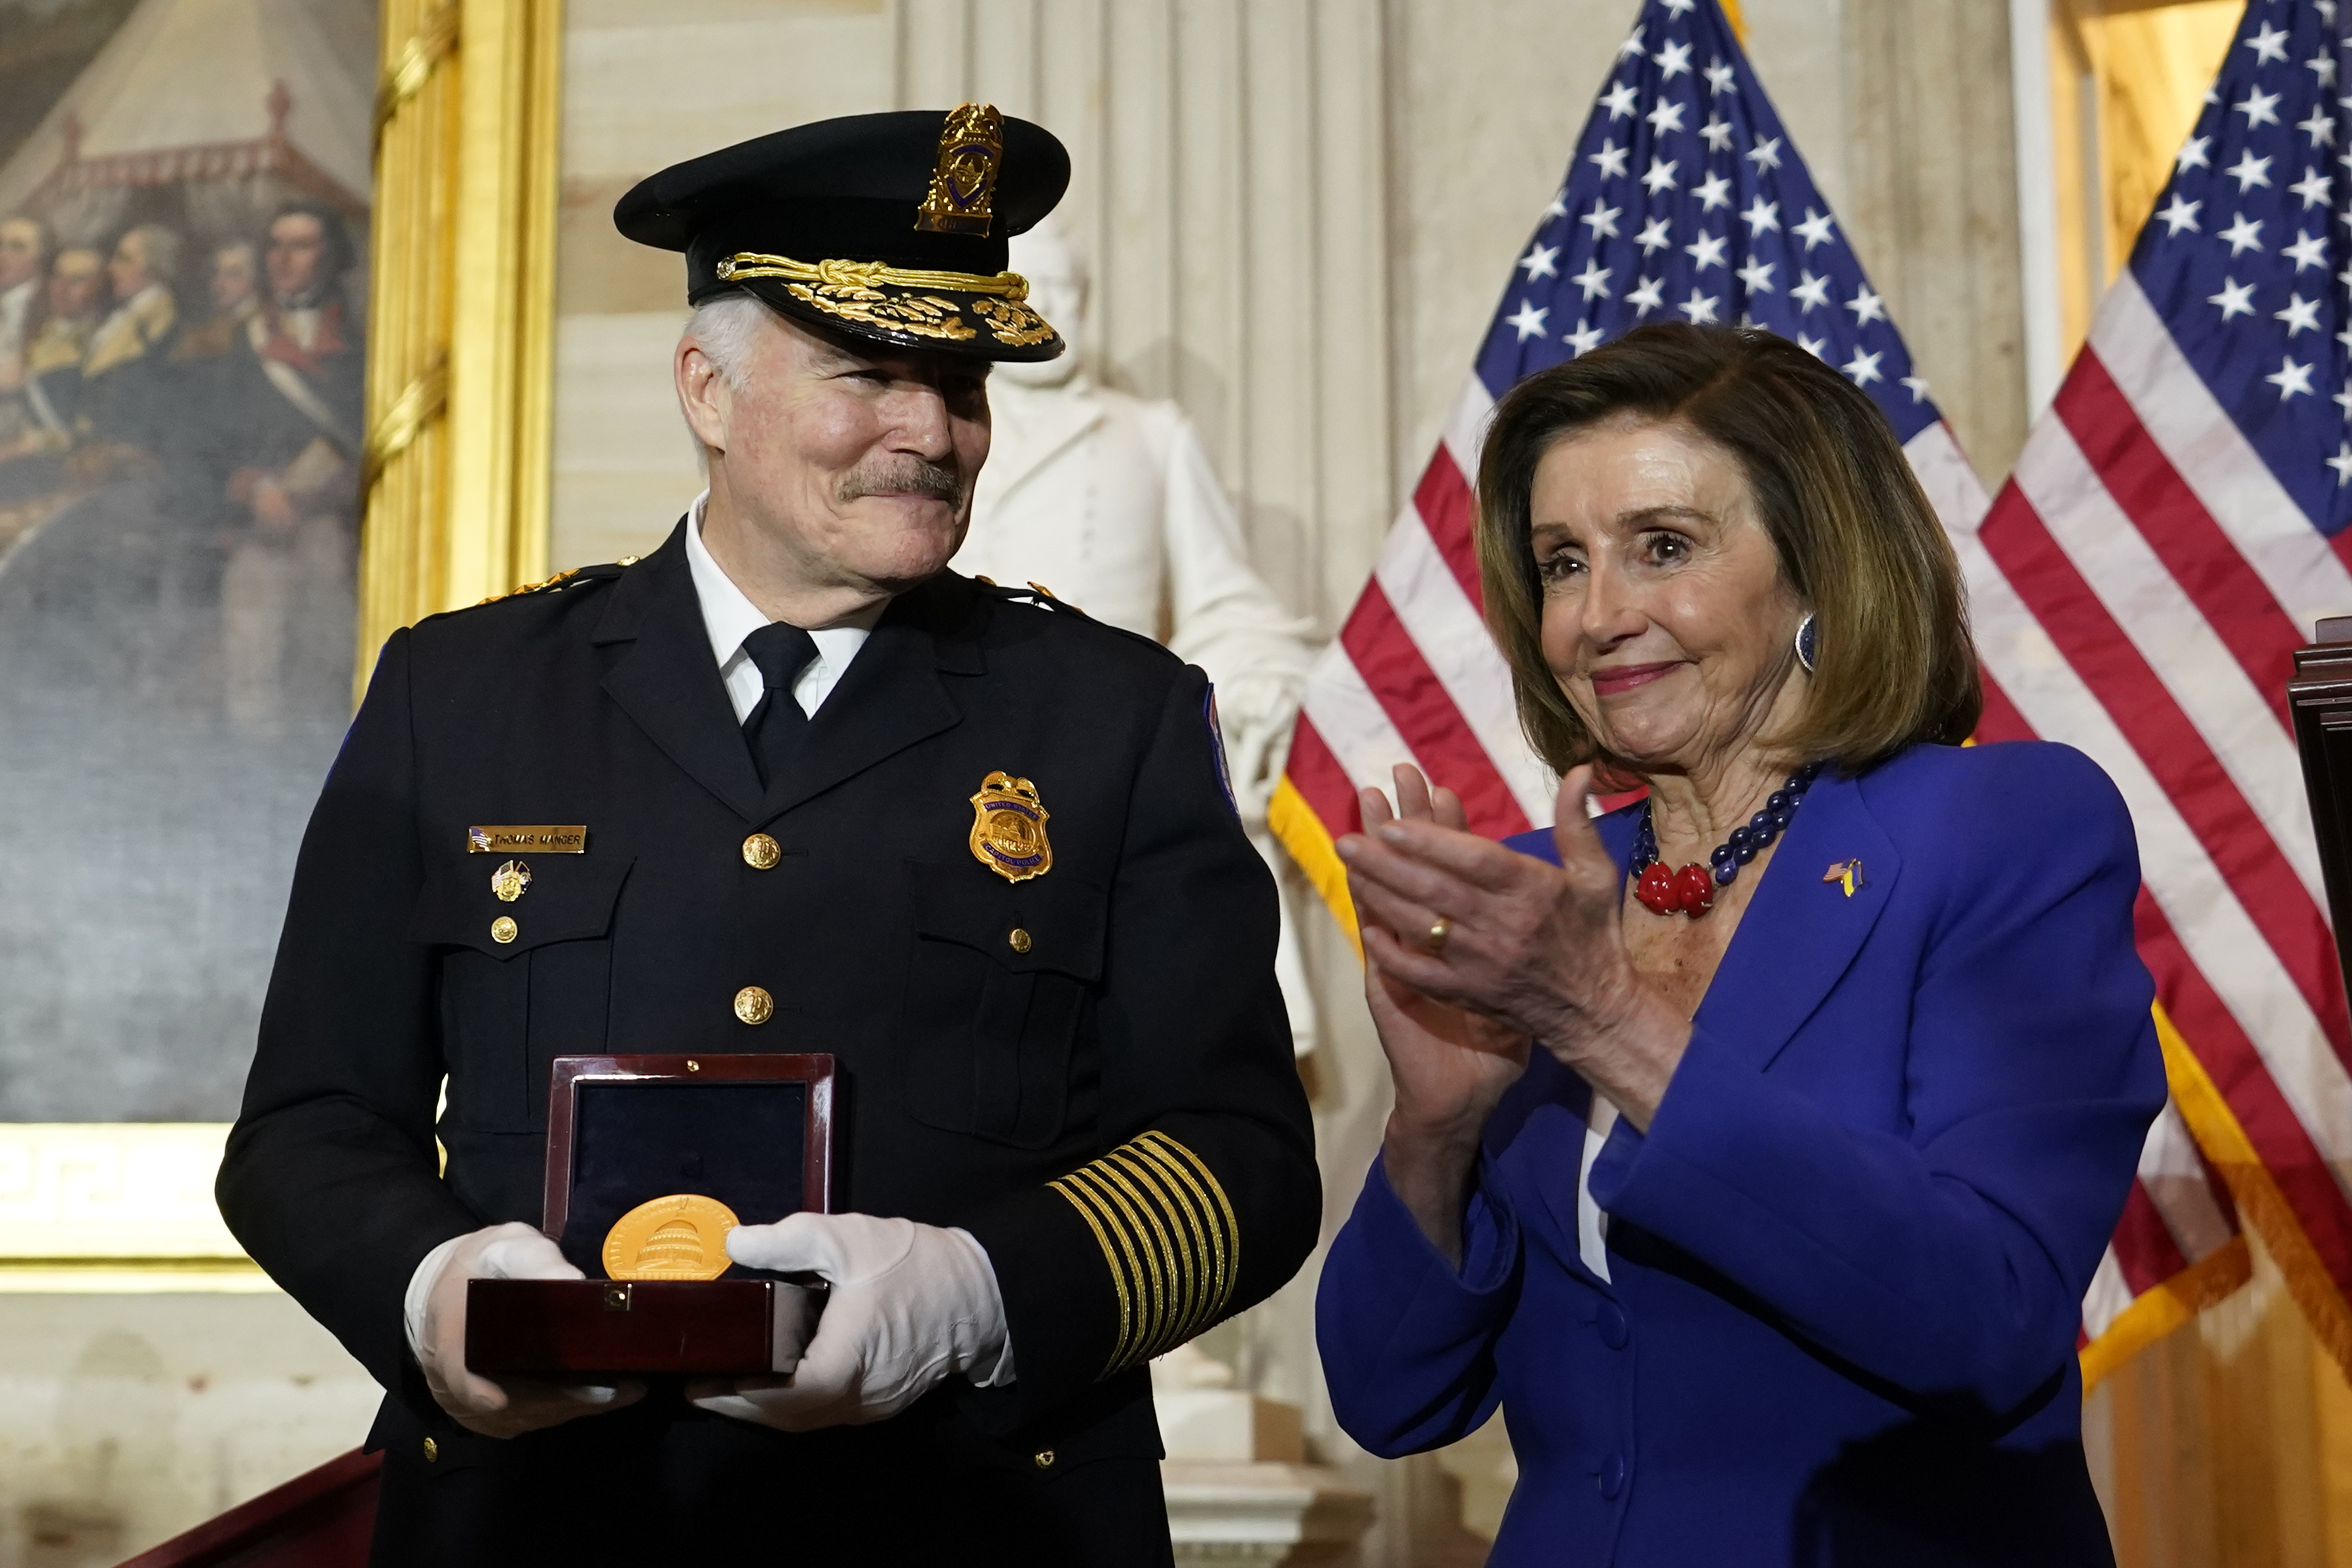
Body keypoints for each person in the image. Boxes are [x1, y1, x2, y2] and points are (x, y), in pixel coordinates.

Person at [217, 105, 1318, 1567]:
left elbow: (1243, 1162)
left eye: (962, 383)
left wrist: (978, 1293)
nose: (933, 434)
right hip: (540, 1527)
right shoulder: (461, 693)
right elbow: (304, 1131)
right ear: (707, 388)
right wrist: (434, 1296)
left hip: (973, 1525)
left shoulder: (1113, 718)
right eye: (869, 374)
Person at [1315, 323, 2163, 1567]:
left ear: (1820, 569)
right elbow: (1391, 1398)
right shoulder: (1541, 895)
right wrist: (1433, 1131)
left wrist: (1607, 1021)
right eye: (1562, 564)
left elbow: (1991, 1318)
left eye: (1664, 547)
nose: (1597, 616)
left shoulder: (1999, 829)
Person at [963, 216, 1321, 1059]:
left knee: (1161, 1029)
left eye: (1070, 291)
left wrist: (1252, 673)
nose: (1055, 308)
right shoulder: (942, 423)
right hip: (959, 739)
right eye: (1031, 290)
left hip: (1110, 748)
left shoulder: (1151, 434)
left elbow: (1225, 601)